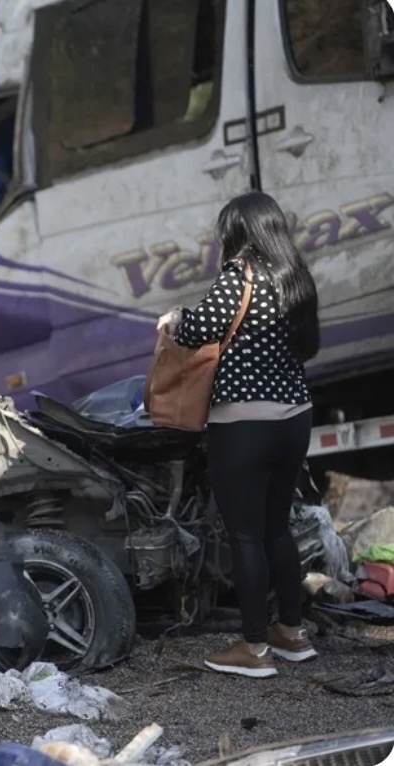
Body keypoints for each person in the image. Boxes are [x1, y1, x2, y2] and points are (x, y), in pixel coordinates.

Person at [159, 191, 320, 679]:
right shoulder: (295, 277)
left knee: (245, 535)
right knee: (276, 528)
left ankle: (253, 649)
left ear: (240, 233)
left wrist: (174, 319)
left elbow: (197, 331)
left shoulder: (240, 277)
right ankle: (290, 634)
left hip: (245, 423)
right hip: (295, 416)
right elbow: (309, 345)